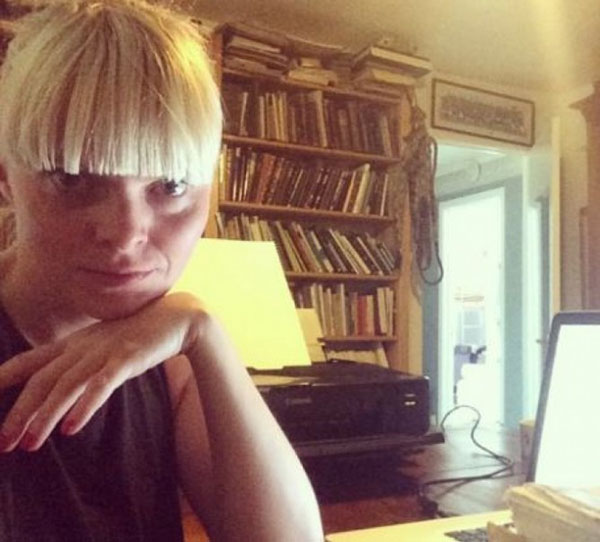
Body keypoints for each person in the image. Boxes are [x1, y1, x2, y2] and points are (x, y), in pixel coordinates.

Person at [0, 1, 323, 541]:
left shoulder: (171, 360)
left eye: (170, 185)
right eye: (72, 178)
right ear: (6, 179)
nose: (126, 233)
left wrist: (203, 332)